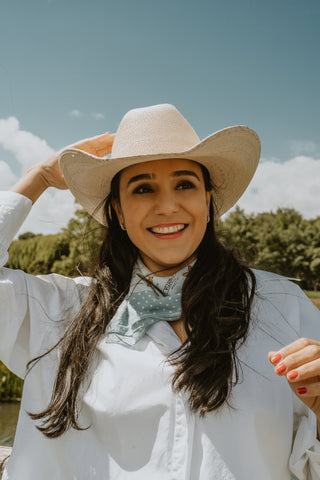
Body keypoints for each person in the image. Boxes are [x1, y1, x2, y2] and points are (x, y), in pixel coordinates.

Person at [0, 103, 320, 480]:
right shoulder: (59, 310)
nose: (167, 205)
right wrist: (37, 177)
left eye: (185, 184)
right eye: (143, 188)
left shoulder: (280, 302)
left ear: (208, 198)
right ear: (118, 210)